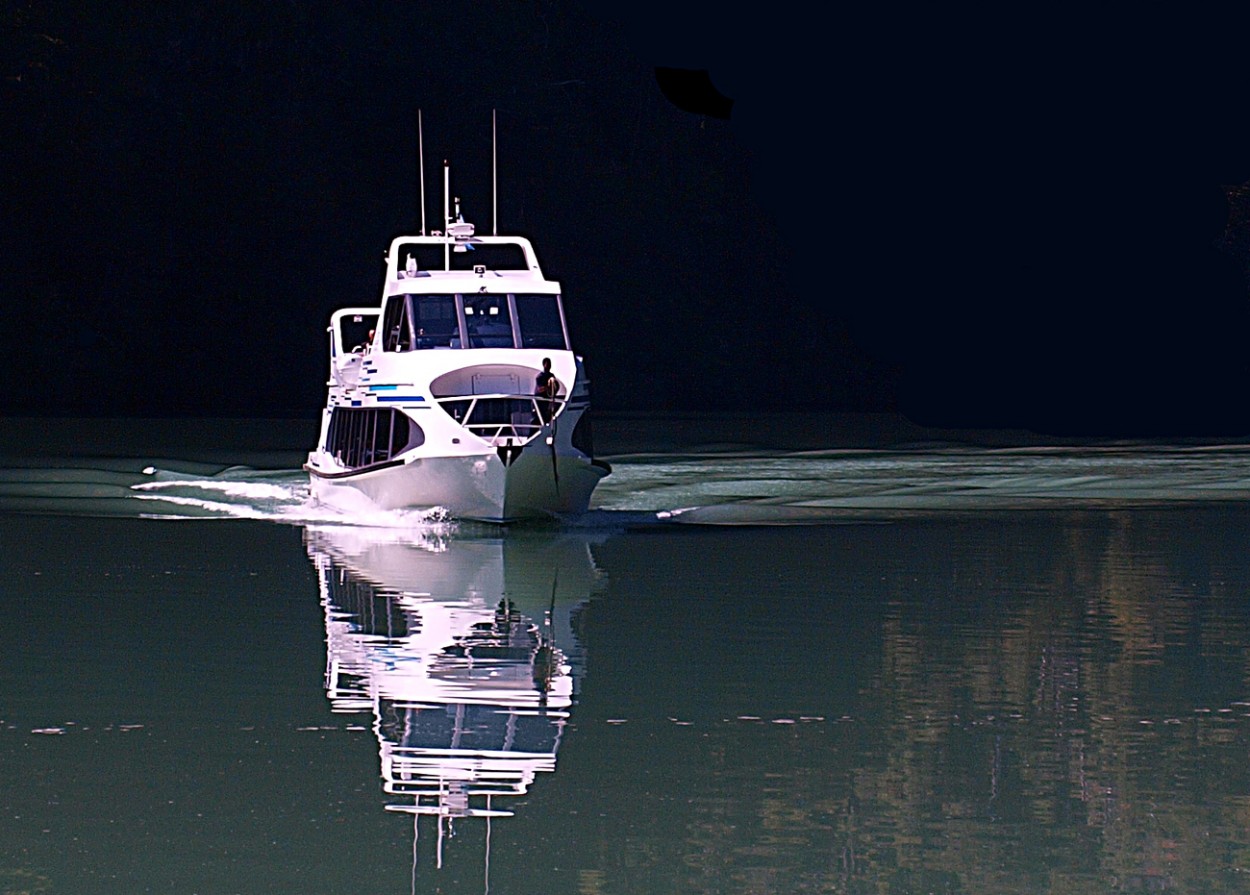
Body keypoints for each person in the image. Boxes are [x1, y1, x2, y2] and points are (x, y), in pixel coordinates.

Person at [534, 357, 558, 423]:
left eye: (550, 364)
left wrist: (553, 390)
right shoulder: (540, 377)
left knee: (548, 415)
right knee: (540, 416)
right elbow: (540, 389)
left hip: (548, 399)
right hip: (540, 400)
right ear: (544, 365)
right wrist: (548, 387)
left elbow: (556, 386)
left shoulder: (551, 375)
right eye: (547, 364)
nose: (549, 366)